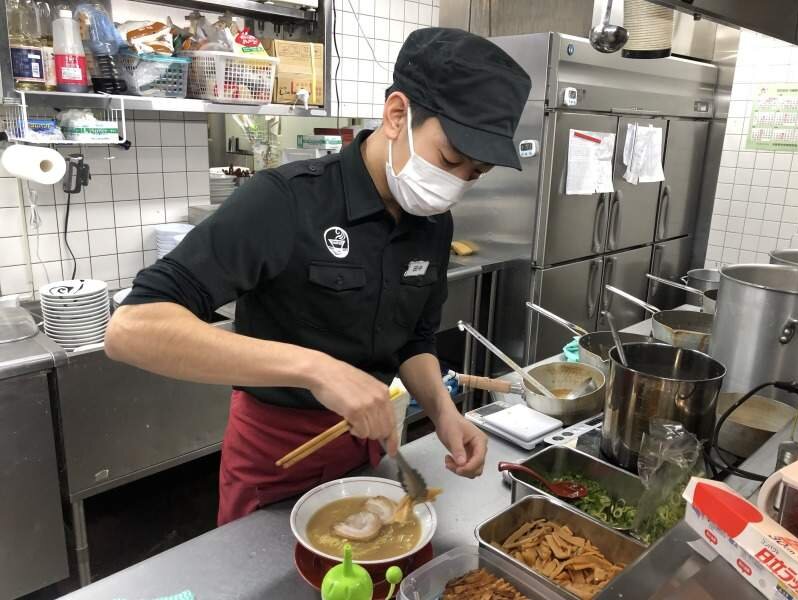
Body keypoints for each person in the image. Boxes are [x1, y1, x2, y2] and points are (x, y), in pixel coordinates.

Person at [105, 27, 531, 526]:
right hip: (275, 456)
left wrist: (443, 413)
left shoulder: (433, 223)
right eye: (451, 160)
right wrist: (317, 369)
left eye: (474, 173)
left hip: (366, 450)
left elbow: (414, 338)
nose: (455, 184)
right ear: (397, 115)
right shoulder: (286, 201)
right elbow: (131, 330)